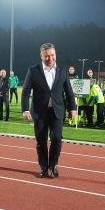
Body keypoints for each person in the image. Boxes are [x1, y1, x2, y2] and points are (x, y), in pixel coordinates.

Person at [22, 43, 77, 178]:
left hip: (57, 111)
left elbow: (69, 91)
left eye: (52, 55)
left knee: (57, 139)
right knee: (41, 142)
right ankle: (43, 168)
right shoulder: (33, 70)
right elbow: (25, 91)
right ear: (41, 56)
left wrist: (73, 108)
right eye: (47, 56)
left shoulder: (62, 70)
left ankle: (53, 166)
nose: (50, 58)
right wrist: (25, 110)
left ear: (55, 54)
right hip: (39, 113)